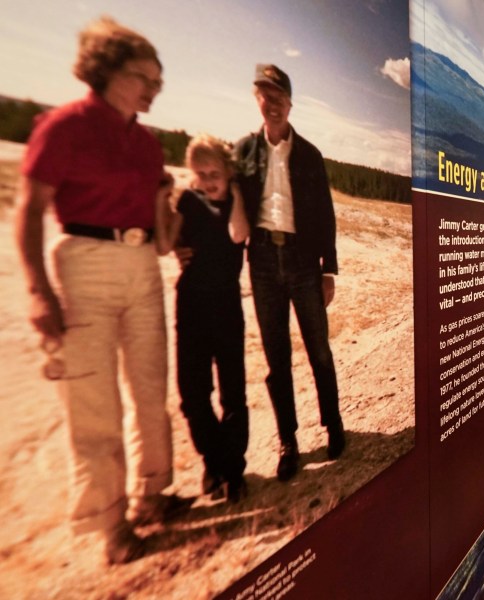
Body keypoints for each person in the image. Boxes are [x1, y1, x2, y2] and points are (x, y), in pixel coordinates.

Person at [15, 17, 189, 565]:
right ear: (106, 69)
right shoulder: (63, 126)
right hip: (83, 265)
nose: (153, 90)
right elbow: (30, 210)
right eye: (145, 78)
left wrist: (168, 206)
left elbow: (160, 235)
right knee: (94, 401)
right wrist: (40, 293)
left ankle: (152, 495)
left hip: (141, 267)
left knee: (149, 387)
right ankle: (111, 528)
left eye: (159, 82)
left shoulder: (147, 143)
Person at [233, 64, 344, 482]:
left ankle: (333, 424)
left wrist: (328, 271)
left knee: (319, 351)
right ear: (256, 100)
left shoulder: (310, 155)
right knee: (276, 359)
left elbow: (326, 217)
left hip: (302, 264)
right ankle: (288, 441)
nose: (272, 104)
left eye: (278, 97)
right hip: (262, 263)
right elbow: (228, 202)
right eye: (264, 95)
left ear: (290, 104)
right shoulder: (243, 150)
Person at [156, 134, 250, 503]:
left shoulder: (237, 204)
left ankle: (233, 472)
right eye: (200, 173)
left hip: (227, 305)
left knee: (233, 393)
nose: (208, 180)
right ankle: (215, 461)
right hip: (191, 305)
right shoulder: (188, 201)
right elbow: (164, 245)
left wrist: (237, 193)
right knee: (193, 395)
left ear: (228, 171)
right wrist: (160, 198)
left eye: (215, 173)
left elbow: (238, 233)